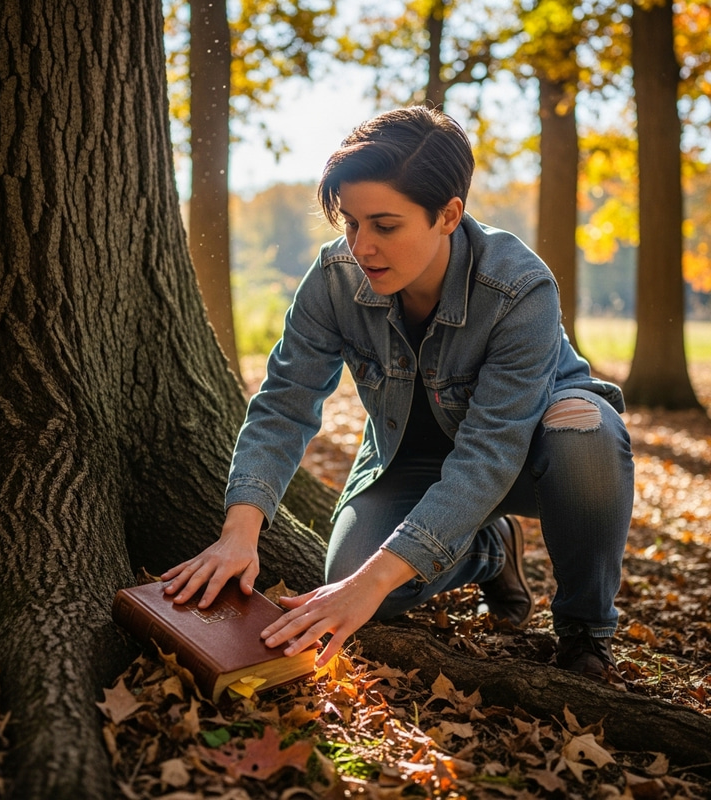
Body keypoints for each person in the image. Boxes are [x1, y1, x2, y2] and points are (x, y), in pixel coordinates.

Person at [162, 106, 634, 687]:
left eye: (385, 226)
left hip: (533, 454)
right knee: (354, 580)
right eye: (351, 223)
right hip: (409, 457)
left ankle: (586, 630)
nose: (362, 247)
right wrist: (240, 531)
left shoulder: (518, 288)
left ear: (448, 215)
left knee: (585, 433)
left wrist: (374, 580)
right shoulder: (333, 278)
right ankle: (490, 549)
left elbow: (489, 454)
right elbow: (285, 402)